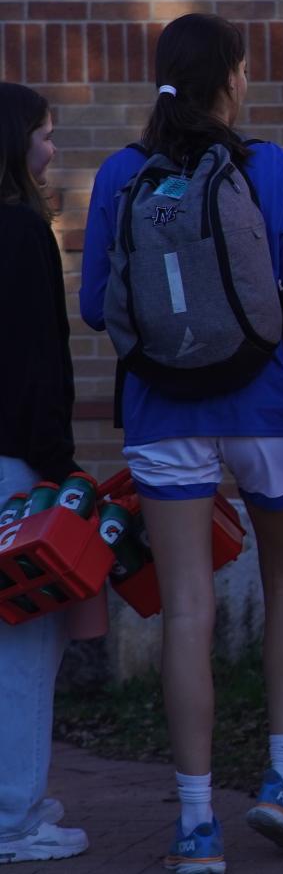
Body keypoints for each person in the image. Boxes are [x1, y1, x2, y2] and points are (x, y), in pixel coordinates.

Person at [79, 13, 283, 869]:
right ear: (229, 78)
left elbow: (94, 307)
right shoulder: (275, 169)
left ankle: (195, 825)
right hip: (266, 410)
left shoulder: (120, 172)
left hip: (161, 413)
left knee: (187, 608)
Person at [0, 82, 90, 866]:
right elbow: (38, 364)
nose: (51, 148)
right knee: (24, 642)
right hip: (14, 463)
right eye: (43, 134)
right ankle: (14, 819)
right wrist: (60, 465)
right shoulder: (23, 235)